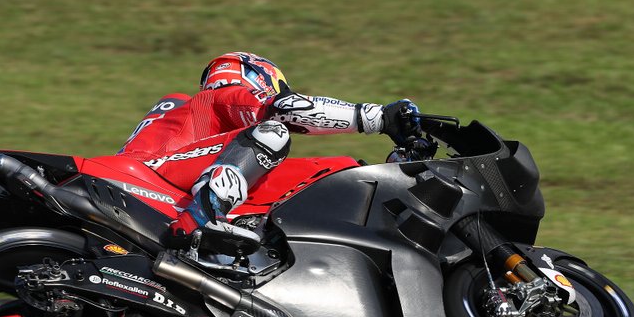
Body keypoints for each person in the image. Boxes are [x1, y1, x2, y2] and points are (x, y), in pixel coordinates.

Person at [119, 52, 420, 254]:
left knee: (313, 169)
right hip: (154, 176)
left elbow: (303, 175)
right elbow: (288, 108)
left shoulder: (195, 120)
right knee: (273, 133)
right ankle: (198, 222)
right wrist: (379, 117)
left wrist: (387, 170)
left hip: (157, 179)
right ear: (257, 76)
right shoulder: (221, 96)